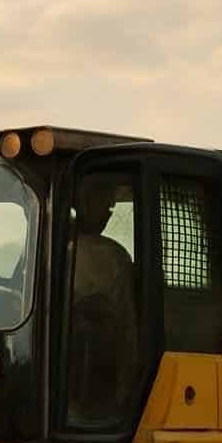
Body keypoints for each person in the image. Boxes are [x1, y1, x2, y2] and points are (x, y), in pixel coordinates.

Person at [67, 174, 140, 425]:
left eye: (110, 208)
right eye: (105, 205)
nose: (109, 213)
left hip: (90, 378)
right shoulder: (113, 258)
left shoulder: (111, 257)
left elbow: (126, 328)